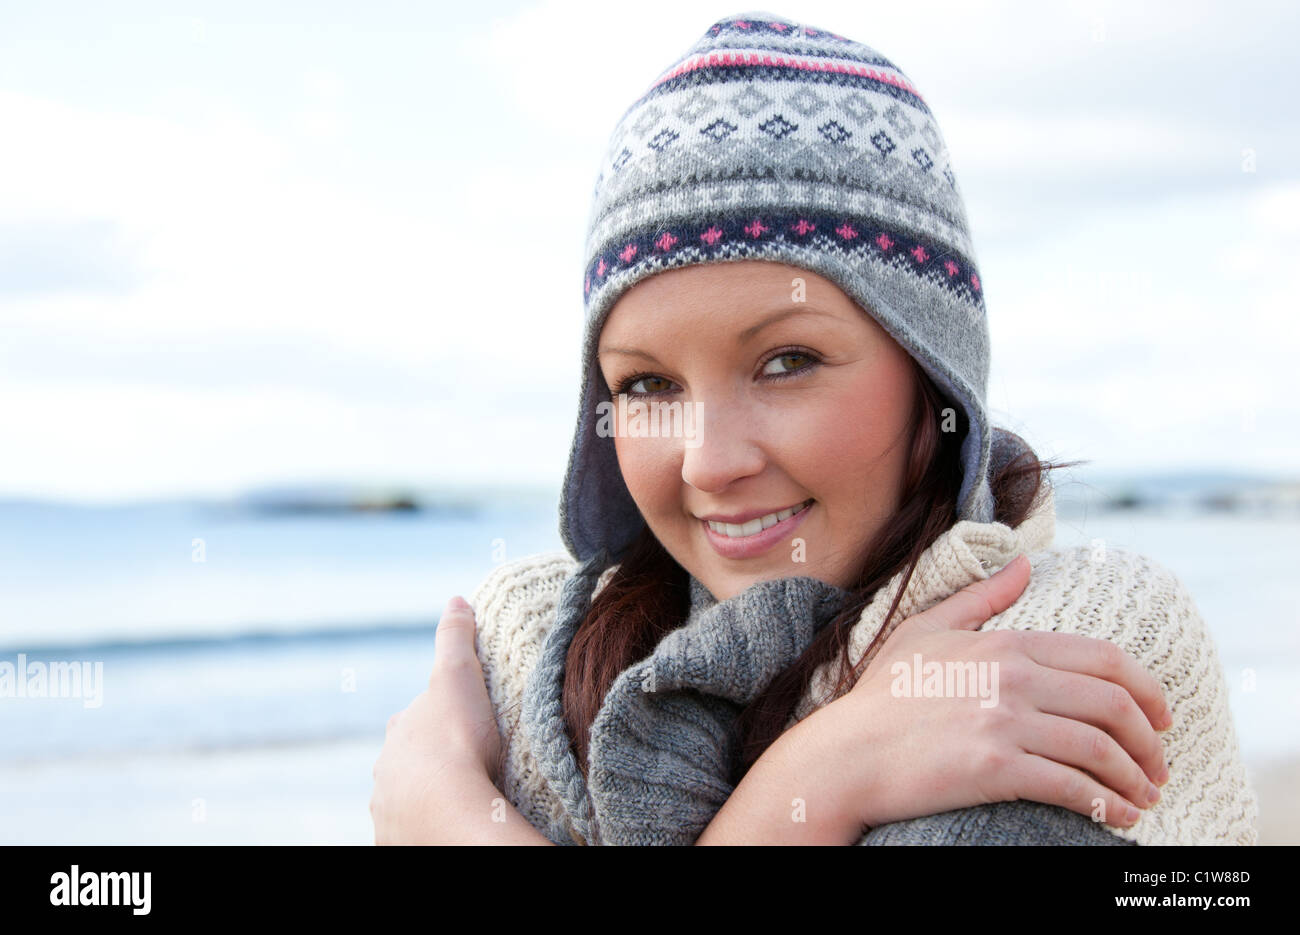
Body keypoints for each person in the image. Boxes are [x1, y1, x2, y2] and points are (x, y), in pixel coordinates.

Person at [369, 10, 1258, 846]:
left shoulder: (1078, 638)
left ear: (931, 369)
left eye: (787, 362)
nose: (711, 461)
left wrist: (452, 817)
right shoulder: (526, 645)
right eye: (646, 383)